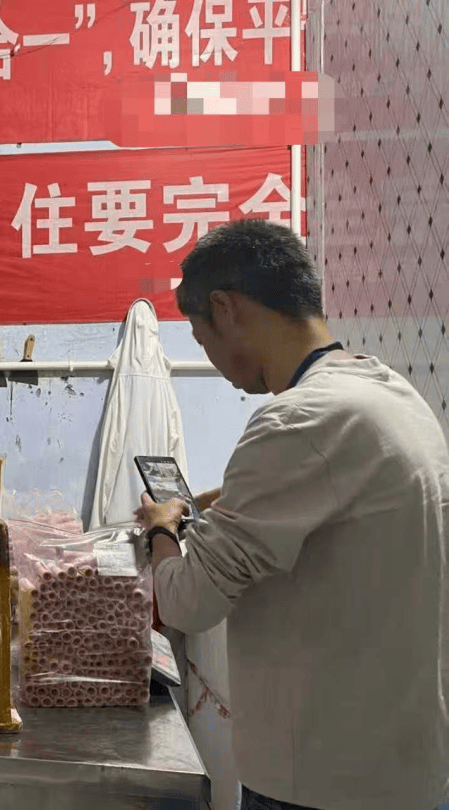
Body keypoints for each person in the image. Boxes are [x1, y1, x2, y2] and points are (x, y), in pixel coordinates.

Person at [133, 219, 449, 810]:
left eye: (202, 340)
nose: (215, 365)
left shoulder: (296, 423)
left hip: (322, 784)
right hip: (407, 769)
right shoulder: (389, 394)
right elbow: (326, 502)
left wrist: (161, 528)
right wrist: (212, 502)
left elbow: (186, 601)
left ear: (225, 308)